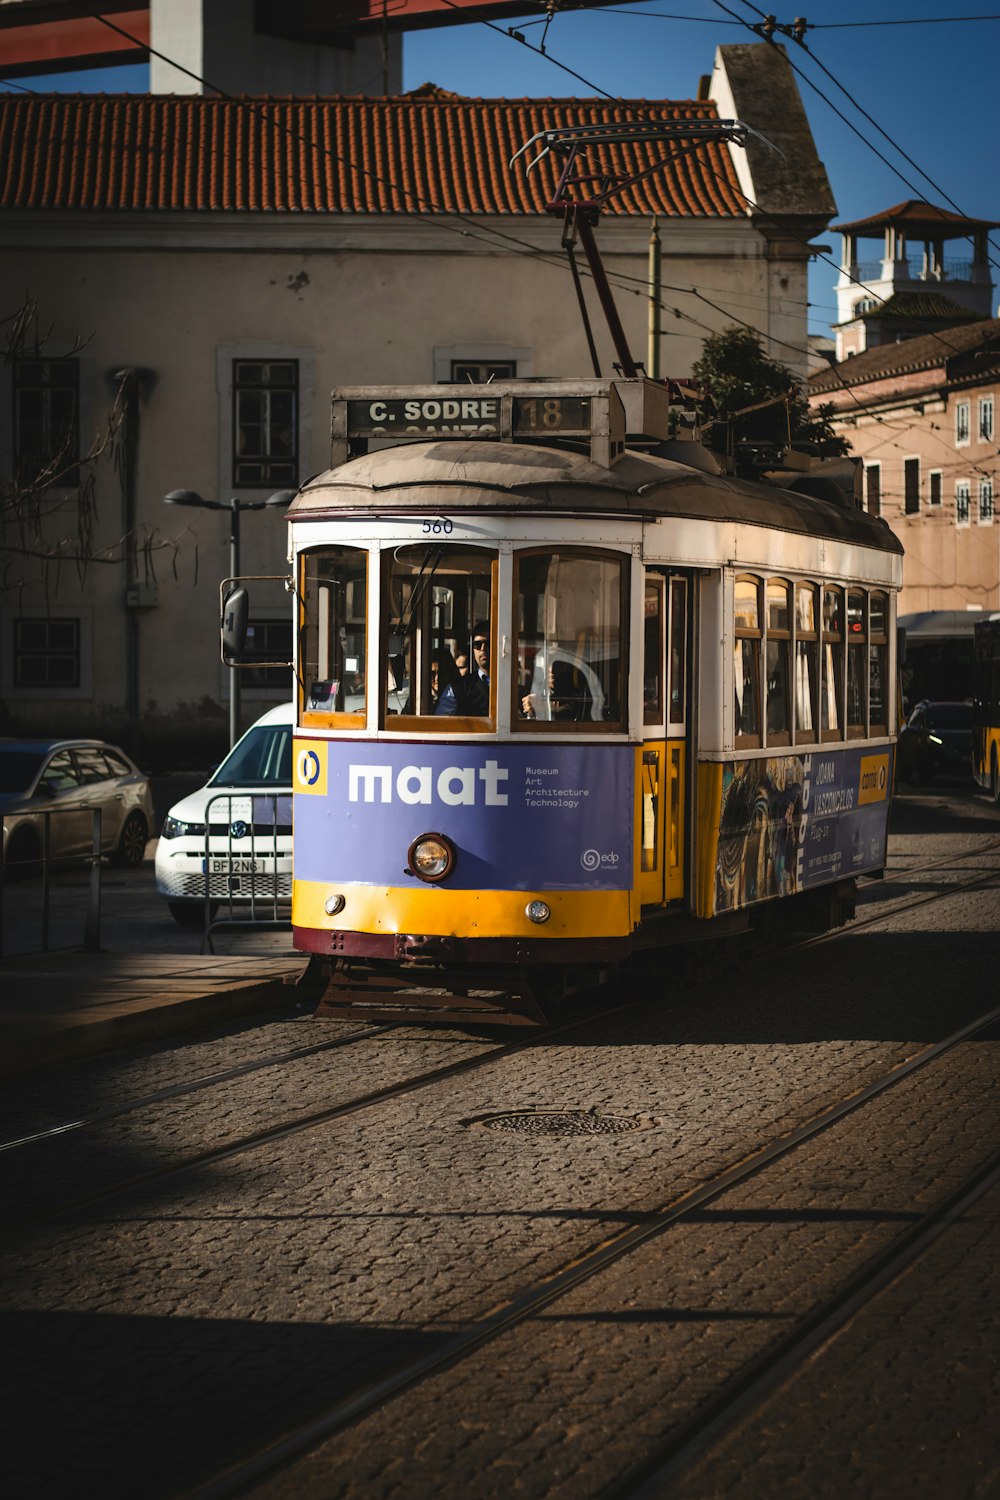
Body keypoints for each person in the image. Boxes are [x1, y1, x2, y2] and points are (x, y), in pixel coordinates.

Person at [459, 621, 490, 714]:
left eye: (488, 643)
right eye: (478, 644)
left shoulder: (511, 686)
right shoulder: (462, 687)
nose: (483, 649)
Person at [430, 648, 462, 715]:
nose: (437, 678)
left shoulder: (459, 697)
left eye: (441, 673)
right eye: (432, 674)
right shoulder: (418, 697)